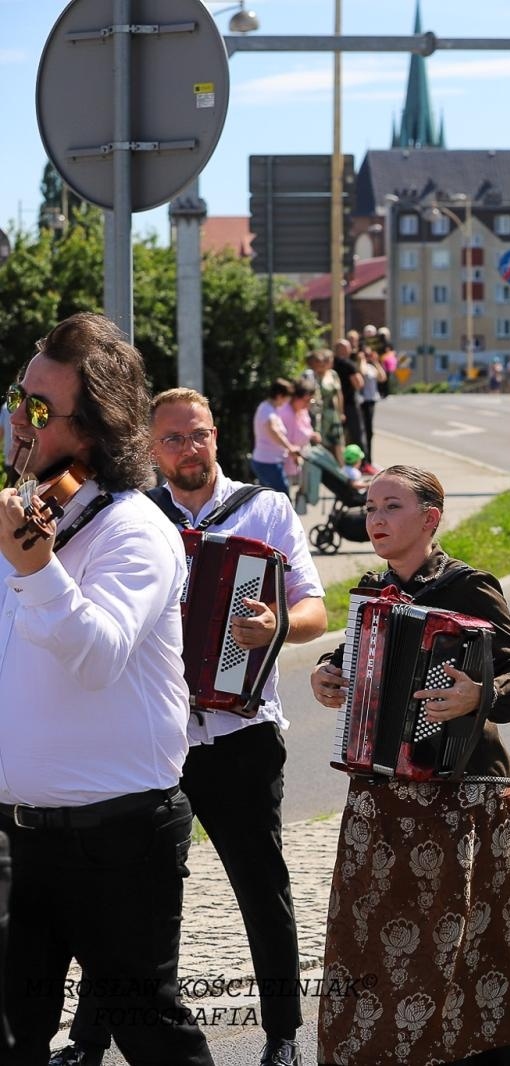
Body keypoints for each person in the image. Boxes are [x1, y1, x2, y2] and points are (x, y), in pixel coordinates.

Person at [60, 387, 329, 1066]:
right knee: (128, 898)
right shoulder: (131, 517)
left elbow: (315, 612)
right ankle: (89, 1043)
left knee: (261, 885)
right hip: (152, 735)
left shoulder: (264, 509)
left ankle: (284, 1037)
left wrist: (274, 629)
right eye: (173, 439)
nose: (189, 449)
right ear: (152, 448)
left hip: (241, 734)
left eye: (199, 435)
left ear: (218, 437)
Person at [308, 466, 510, 1064]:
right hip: (380, 803)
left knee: (462, 954)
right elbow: (351, 656)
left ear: (430, 519)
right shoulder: (371, 590)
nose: (375, 519)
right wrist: (326, 675)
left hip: (461, 803)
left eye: (391, 507)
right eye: (370, 508)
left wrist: (477, 696)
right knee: (369, 949)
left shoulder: (469, 587)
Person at [0, 313, 212, 1064]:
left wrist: (32, 563)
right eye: (16, 396)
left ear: (89, 433)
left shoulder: (133, 530)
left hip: (119, 839)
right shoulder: (30, 513)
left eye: (36, 409)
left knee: (148, 1031)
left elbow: (97, 655)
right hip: (20, 834)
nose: (15, 418)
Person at [251, 378, 301, 494]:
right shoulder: (267, 411)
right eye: (286, 399)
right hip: (268, 462)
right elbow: (273, 430)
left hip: (269, 461)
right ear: (279, 396)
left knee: (270, 500)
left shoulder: (268, 408)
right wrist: (290, 447)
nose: (285, 403)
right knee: (282, 498)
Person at [330, 339, 366, 459]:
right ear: (347, 350)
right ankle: (361, 462)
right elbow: (358, 384)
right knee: (357, 434)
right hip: (350, 403)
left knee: (337, 436)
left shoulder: (331, 363)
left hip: (333, 405)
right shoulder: (349, 364)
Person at [358, 346, 385, 469]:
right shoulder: (360, 366)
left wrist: (376, 362)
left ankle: (369, 460)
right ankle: (364, 460)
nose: (369, 356)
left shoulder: (372, 367)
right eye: (366, 354)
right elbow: (362, 372)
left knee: (370, 432)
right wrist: (362, 359)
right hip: (363, 401)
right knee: (364, 431)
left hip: (372, 400)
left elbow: (382, 377)